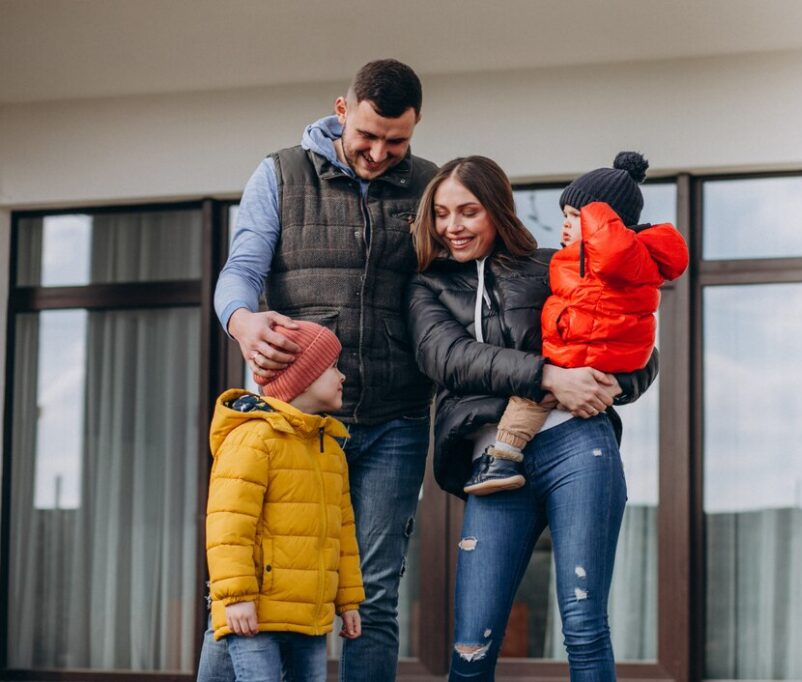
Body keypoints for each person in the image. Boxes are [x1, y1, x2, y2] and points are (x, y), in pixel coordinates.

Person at [199, 59, 437, 682]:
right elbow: (242, 269)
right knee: (248, 584)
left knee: (374, 598)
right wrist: (242, 322)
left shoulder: (430, 185)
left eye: (397, 141)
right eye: (368, 136)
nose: (380, 152)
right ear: (342, 109)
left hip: (395, 420)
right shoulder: (279, 173)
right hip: (291, 424)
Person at [407, 156, 659, 680]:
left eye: (469, 211)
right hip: (494, 469)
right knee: (470, 645)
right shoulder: (427, 287)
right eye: (441, 213)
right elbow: (448, 357)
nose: (453, 226)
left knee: (585, 627)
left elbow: (635, 343)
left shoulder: (552, 265)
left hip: (576, 446)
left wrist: (613, 383)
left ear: (497, 211)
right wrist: (549, 376)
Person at [464, 152, 689, 495]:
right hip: (608, 356)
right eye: (564, 215)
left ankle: (503, 457)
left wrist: (552, 372)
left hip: (582, 353)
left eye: (575, 216)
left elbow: (604, 268)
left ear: (605, 223)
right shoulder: (632, 259)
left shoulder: (611, 260)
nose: (565, 225)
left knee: (528, 399)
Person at [206, 321, 363, 682]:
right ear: (304, 376)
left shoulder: (329, 451)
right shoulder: (254, 439)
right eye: (333, 367)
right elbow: (228, 526)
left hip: (309, 617)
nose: (342, 376)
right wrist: (238, 596)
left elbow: (343, 534)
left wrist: (348, 601)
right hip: (254, 614)